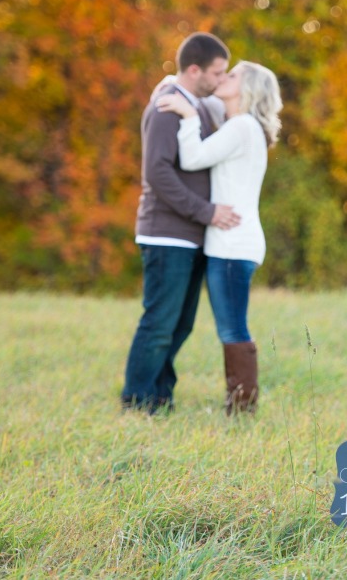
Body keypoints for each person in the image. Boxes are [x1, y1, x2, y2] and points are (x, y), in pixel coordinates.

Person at [121, 32, 241, 414]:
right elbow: (157, 172)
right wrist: (206, 212)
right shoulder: (165, 108)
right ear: (194, 70)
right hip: (166, 234)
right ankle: (138, 403)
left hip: (191, 236)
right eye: (217, 73)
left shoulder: (196, 105)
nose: (220, 79)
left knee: (181, 325)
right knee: (159, 324)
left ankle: (160, 395)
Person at [156, 61, 282, 414]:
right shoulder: (241, 125)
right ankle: (241, 405)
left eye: (232, 75)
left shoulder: (242, 126)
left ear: (248, 89)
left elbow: (193, 158)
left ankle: (242, 409)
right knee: (232, 325)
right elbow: (195, 91)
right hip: (236, 242)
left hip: (232, 245)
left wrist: (187, 116)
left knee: (232, 327)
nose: (223, 78)